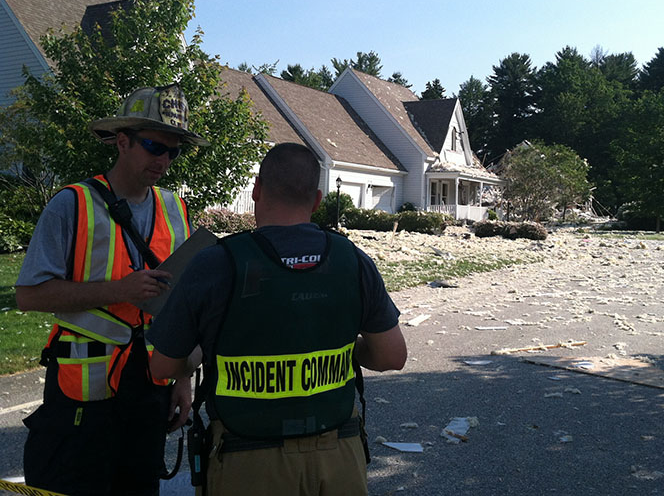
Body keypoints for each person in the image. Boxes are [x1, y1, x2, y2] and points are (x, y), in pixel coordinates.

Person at [148, 142, 407, 496]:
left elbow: (162, 367)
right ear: (316, 201)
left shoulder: (215, 263)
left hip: (248, 461)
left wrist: (202, 352)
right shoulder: (351, 260)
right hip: (338, 457)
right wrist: (348, 346)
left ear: (256, 190)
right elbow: (392, 356)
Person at [16, 84, 210, 496]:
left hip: (150, 393)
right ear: (122, 142)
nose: (164, 160)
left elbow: (181, 308)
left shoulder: (176, 209)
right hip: (83, 396)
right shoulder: (71, 204)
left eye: (173, 152)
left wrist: (182, 379)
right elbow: (29, 295)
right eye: (155, 146)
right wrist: (119, 290)